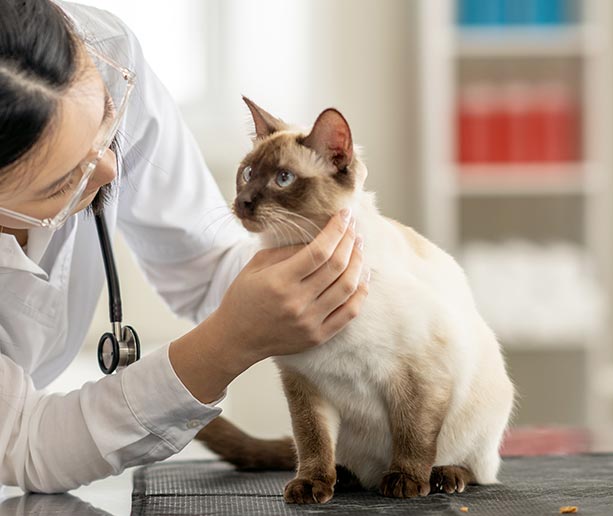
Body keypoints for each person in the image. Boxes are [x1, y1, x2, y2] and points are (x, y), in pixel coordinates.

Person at [0, 0, 369, 493]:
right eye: (64, 180)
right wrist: (229, 342)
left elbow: (207, 263)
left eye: (106, 124)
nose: (111, 169)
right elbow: (23, 442)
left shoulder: (104, 52)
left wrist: (310, 263)